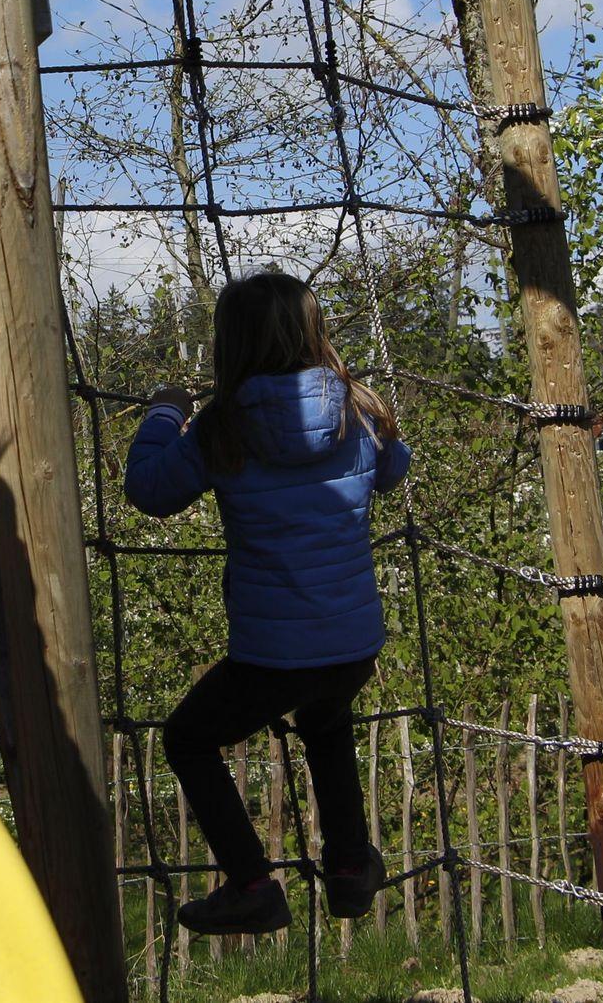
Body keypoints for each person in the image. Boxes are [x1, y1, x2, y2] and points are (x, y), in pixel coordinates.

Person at [124, 270, 407, 935]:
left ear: (231, 343)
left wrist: (164, 414)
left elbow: (149, 491)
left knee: (189, 739)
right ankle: (348, 867)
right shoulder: (356, 409)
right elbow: (394, 472)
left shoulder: (224, 427)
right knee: (326, 722)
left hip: (273, 652)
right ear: (313, 332)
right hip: (352, 644)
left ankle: (252, 884)